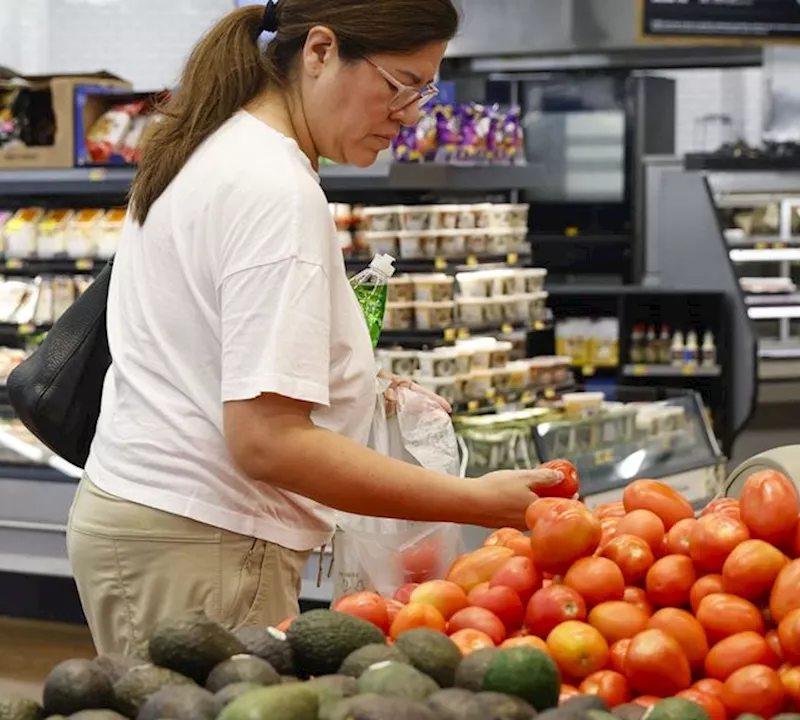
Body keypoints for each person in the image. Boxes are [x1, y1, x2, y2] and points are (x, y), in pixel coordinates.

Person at [64, 0, 559, 656]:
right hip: (206, 539)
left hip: (169, 528)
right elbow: (267, 443)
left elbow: (210, 345)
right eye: (401, 83)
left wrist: (351, 381)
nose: (412, 113)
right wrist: (473, 500)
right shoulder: (275, 190)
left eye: (426, 88)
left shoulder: (216, 145)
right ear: (320, 51)